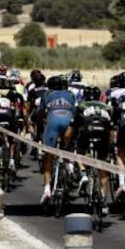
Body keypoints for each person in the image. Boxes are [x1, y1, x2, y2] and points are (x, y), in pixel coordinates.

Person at [72, 85, 113, 214]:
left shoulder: (81, 105)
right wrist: (111, 145)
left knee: (79, 152)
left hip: (88, 130)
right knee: (102, 163)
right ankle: (103, 201)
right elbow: (111, 127)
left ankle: (84, 174)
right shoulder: (106, 107)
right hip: (103, 132)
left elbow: (76, 125)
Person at [40, 75, 77, 204]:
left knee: (48, 157)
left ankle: (47, 190)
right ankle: (69, 165)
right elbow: (75, 111)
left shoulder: (46, 94)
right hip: (68, 122)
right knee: (68, 148)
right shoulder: (71, 94)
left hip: (53, 123)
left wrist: (40, 127)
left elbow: (41, 113)